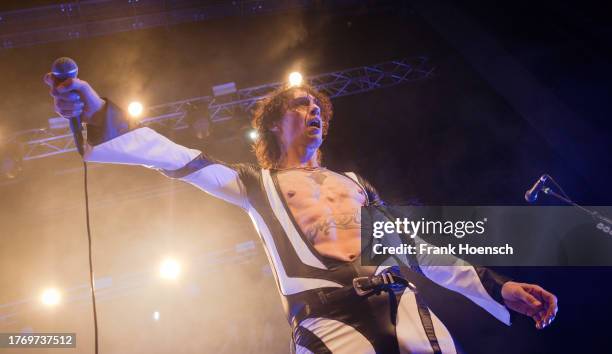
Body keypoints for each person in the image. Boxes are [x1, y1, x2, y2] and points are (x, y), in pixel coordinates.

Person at [45, 74, 557, 354]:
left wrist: (500, 287)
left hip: (400, 304)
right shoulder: (253, 183)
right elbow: (172, 157)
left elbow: (420, 252)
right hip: (324, 319)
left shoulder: (355, 185)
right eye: (300, 105)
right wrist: (93, 108)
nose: (313, 111)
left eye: (318, 109)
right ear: (275, 124)